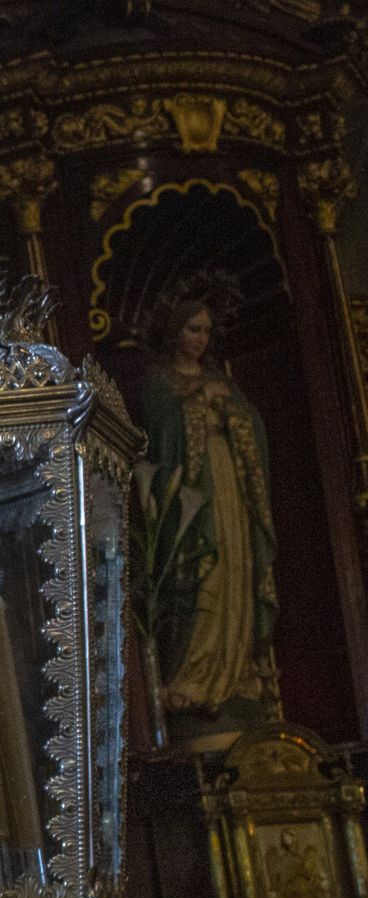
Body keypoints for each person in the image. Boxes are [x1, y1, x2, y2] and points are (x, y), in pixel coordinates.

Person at [139, 280, 278, 744]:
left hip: (228, 493)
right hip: (192, 501)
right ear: (175, 332)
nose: (200, 338)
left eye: (206, 331)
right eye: (192, 329)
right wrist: (197, 409)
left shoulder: (222, 381)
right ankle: (192, 676)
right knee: (204, 574)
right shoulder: (160, 385)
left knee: (235, 570)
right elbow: (161, 438)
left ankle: (236, 670)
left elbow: (252, 425)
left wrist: (229, 414)